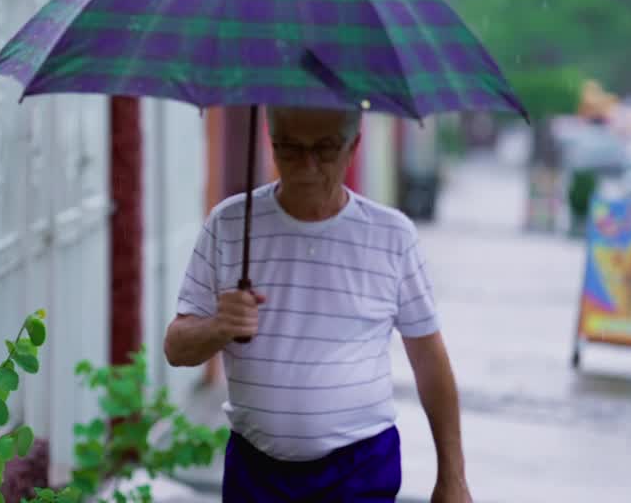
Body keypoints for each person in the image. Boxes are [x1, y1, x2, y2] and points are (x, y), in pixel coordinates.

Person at [163, 107, 472, 502]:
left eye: (324, 150)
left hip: (359, 468)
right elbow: (176, 347)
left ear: (353, 146)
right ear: (270, 143)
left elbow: (429, 360)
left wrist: (453, 476)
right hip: (256, 472)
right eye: (289, 148)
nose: (307, 166)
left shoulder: (392, 236)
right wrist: (217, 327)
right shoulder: (229, 224)